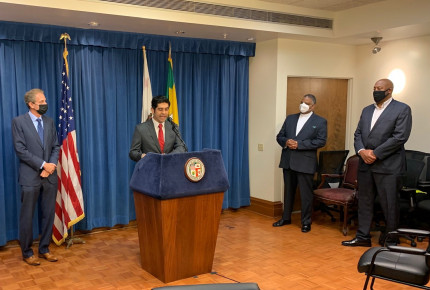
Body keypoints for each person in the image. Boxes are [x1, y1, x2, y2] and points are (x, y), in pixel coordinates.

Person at [342, 78, 412, 247]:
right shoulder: (367, 110)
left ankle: (391, 238)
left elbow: (400, 137)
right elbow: (358, 134)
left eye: (379, 88)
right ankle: (362, 237)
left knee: (389, 204)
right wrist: (361, 151)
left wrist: (375, 153)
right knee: (364, 202)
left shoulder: (402, 109)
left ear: (389, 91)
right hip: (366, 165)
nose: (375, 91)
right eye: (374, 88)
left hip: (388, 166)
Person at [12, 89, 60, 266]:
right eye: (41, 101)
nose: (45, 103)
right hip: (30, 177)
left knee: (48, 214)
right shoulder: (19, 122)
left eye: (45, 99)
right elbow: (20, 150)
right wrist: (42, 165)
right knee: (27, 216)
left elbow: (56, 146)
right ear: (31, 104)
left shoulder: (49, 122)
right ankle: (26, 252)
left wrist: (51, 166)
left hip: (49, 177)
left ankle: (44, 249)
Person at [273, 94, 327, 233]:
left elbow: (321, 141)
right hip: (288, 161)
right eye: (301, 102)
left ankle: (306, 222)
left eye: (307, 103)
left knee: (306, 194)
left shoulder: (320, 121)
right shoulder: (290, 118)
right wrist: (286, 142)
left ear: (313, 106)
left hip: (305, 163)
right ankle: (286, 218)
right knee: (288, 192)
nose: (303, 105)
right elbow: (280, 136)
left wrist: (299, 144)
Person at [129, 96, 186, 161]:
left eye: (166, 109)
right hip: (149, 168)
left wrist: (169, 156)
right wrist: (142, 156)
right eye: (160, 109)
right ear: (153, 110)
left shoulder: (173, 127)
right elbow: (133, 152)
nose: (164, 113)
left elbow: (181, 147)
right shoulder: (141, 129)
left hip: (169, 167)